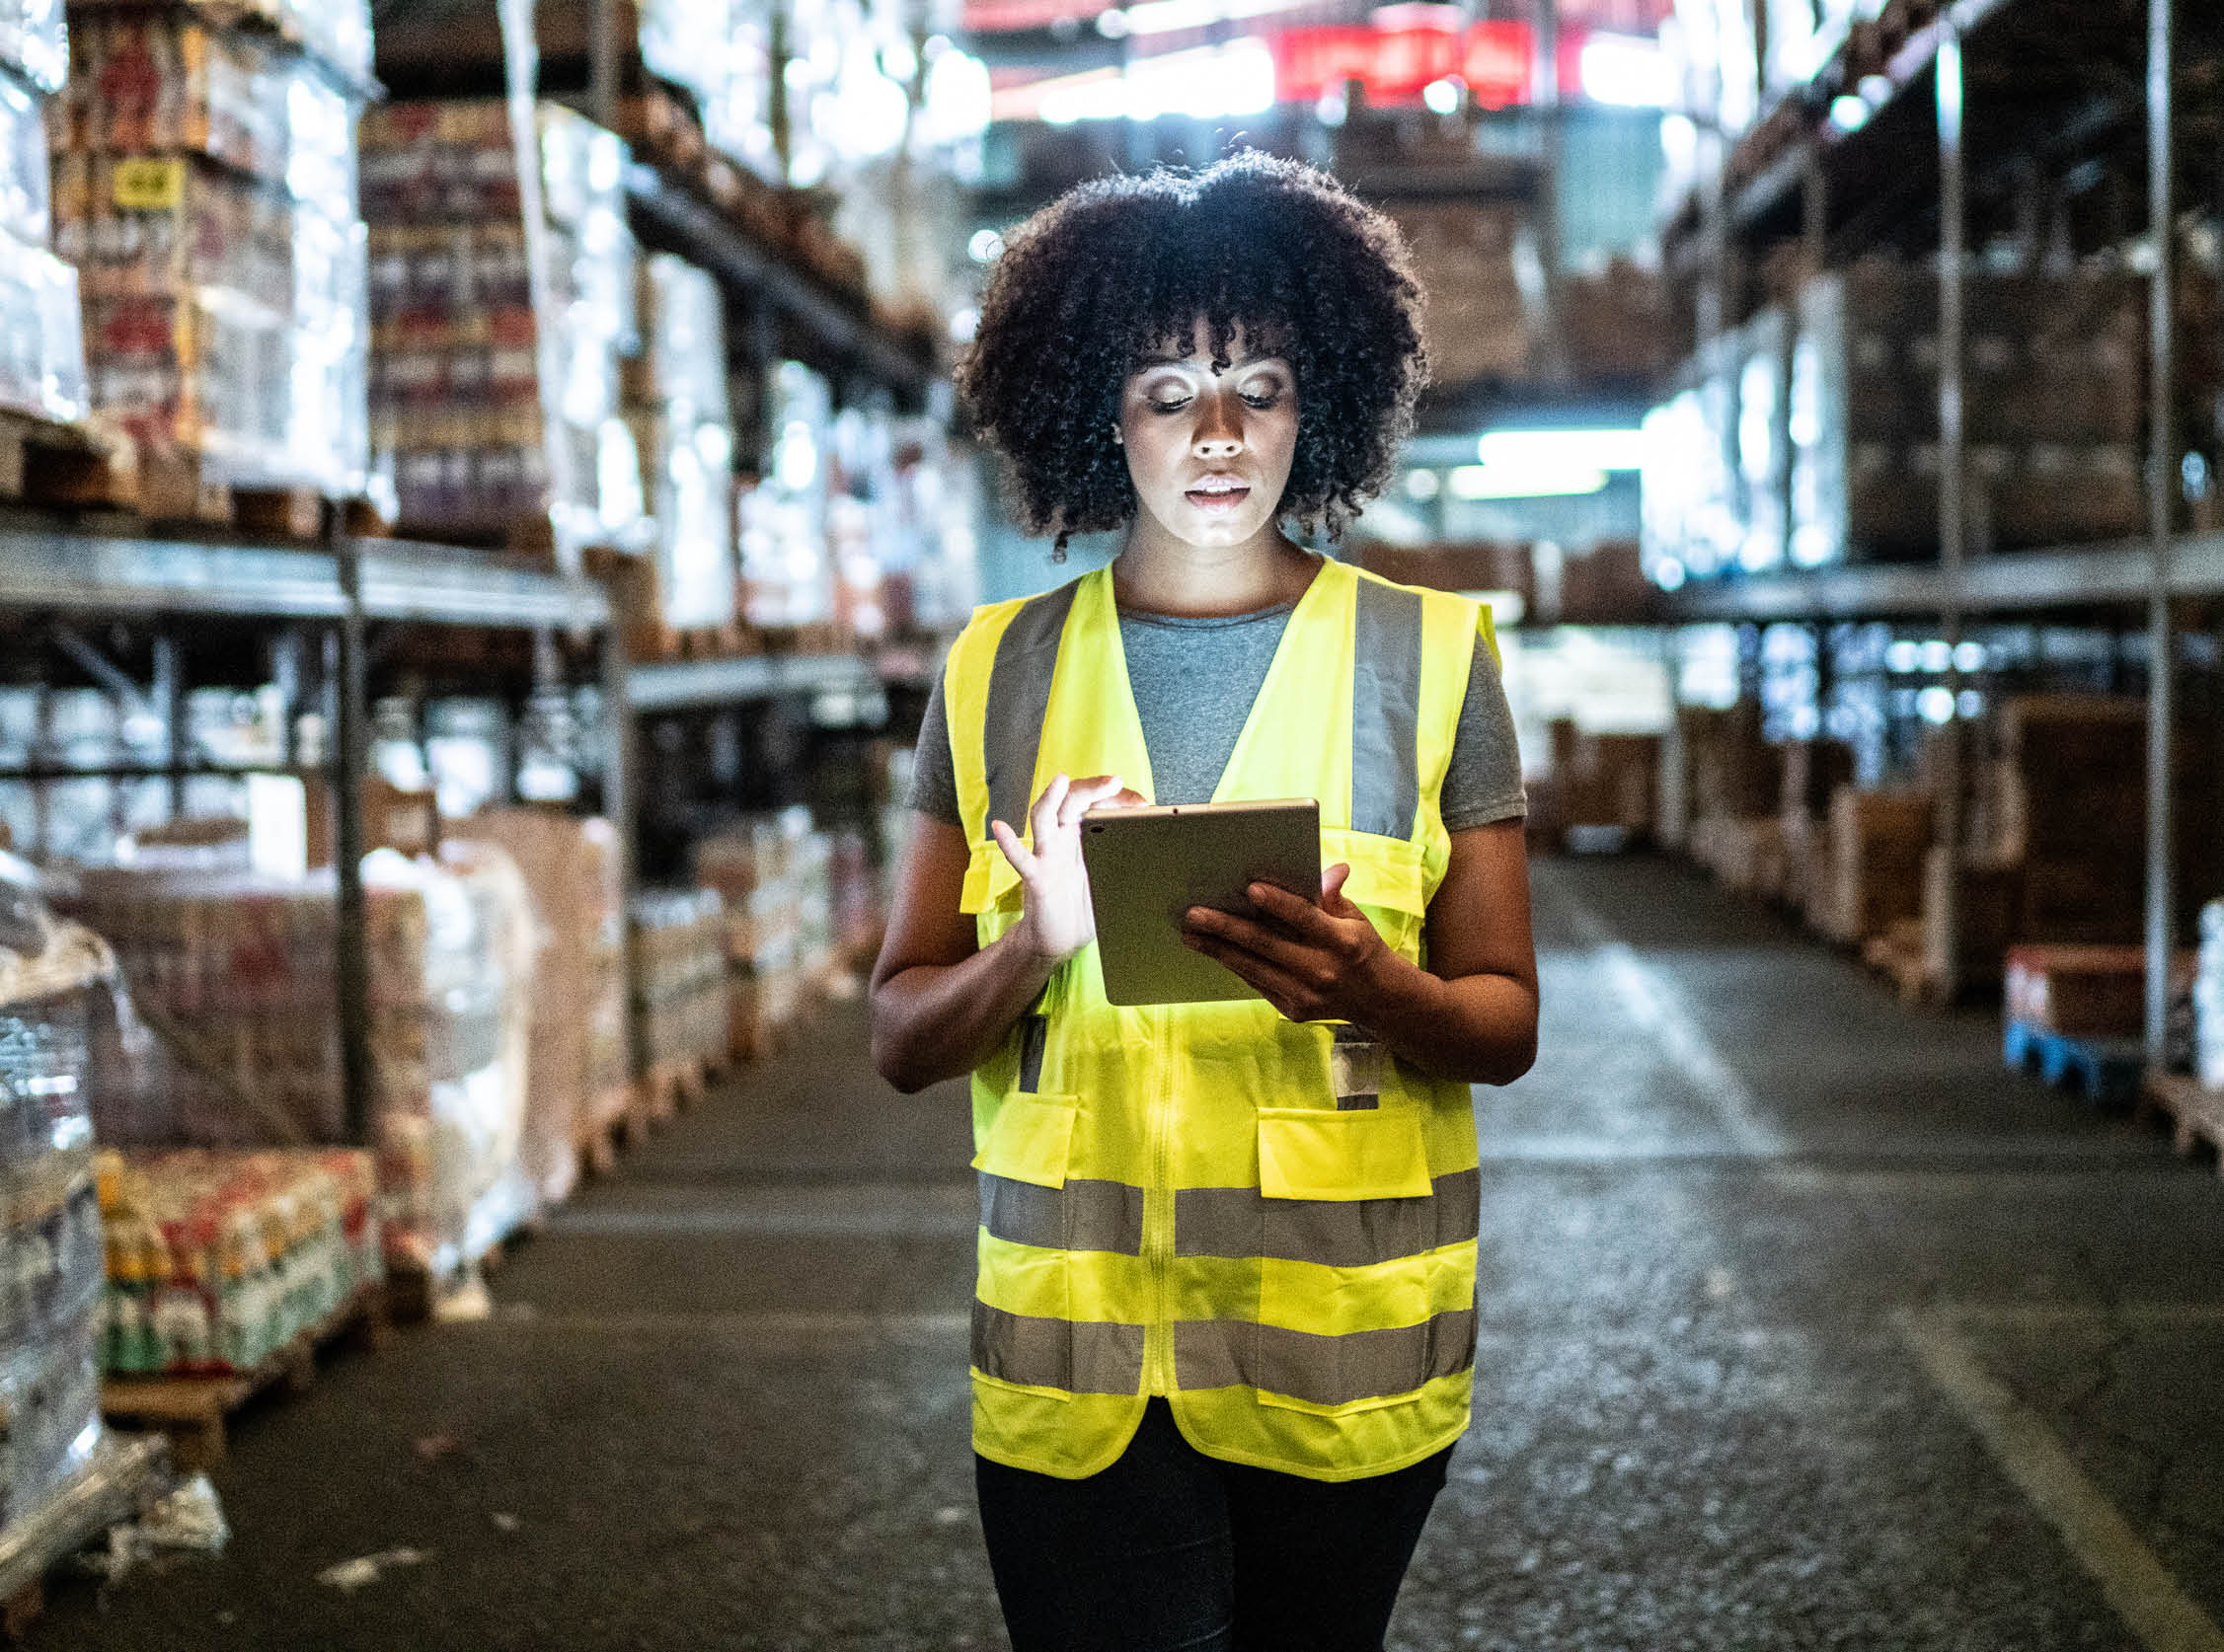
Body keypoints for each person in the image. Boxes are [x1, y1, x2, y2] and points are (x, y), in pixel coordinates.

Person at [869, 150, 1540, 1652]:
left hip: (1338, 1357)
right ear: (1098, 416)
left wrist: (1378, 986)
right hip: (1075, 1366)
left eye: (1263, 385)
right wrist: (1032, 949)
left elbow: (1500, 1024)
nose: (1220, 434)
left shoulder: (1430, 658)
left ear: (1326, 403)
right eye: (1167, 391)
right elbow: (902, 1034)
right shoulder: (993, 672)